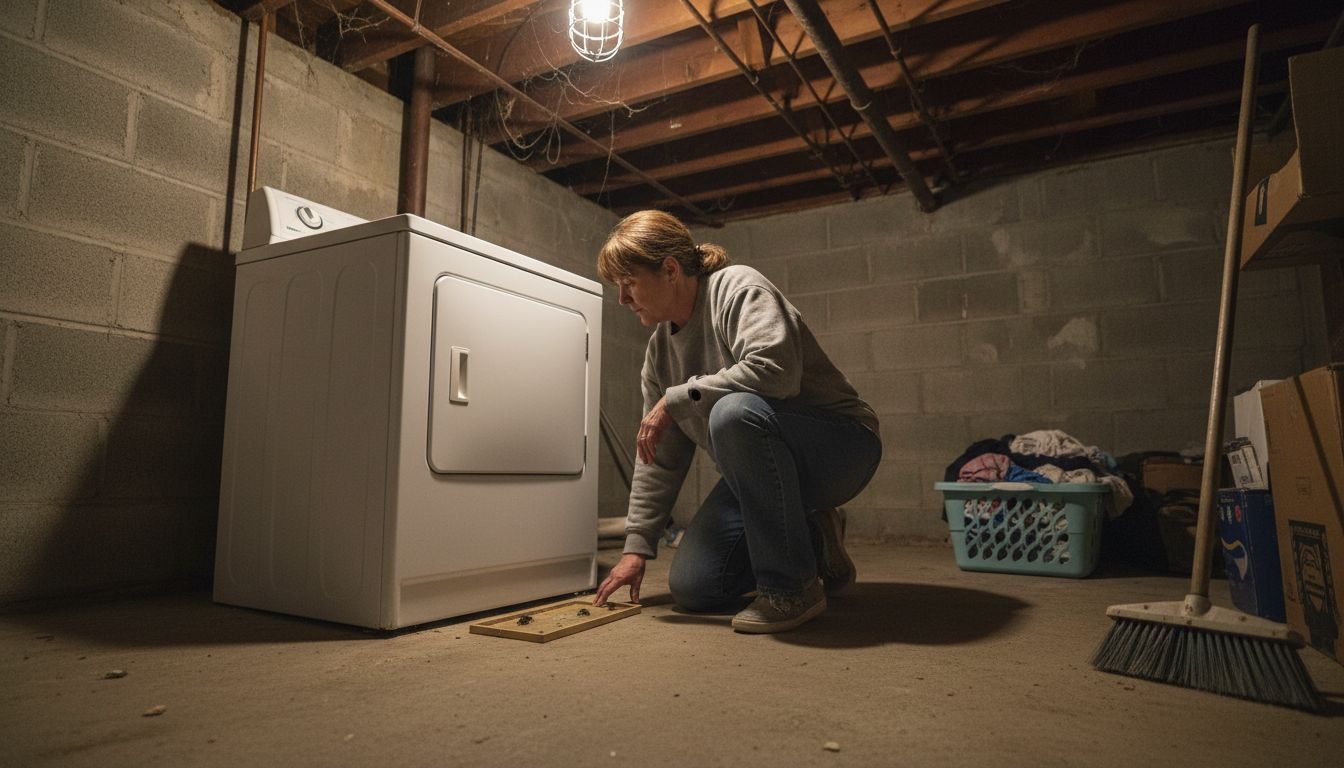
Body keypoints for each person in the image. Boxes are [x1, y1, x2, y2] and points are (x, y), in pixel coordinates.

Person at [591, 210, 882, 633]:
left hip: (842, 448)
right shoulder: (658, 355)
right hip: (763, 472)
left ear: (669, 269)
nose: (622, 298)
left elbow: (776, 371)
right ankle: (816, 538)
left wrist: (677, 400)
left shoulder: (737, 288)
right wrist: (636, 548)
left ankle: (792, 590)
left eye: (629, 282)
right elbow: (660, 457)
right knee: (694, 588)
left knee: (733, 412)